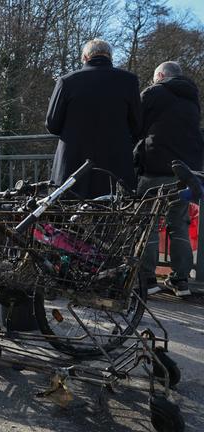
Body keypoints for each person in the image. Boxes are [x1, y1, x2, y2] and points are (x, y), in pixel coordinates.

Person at [135, 61, 203, 297]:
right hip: (186, 172)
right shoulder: (192, 98)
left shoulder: (154, 92)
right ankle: (181, 281)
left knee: (148, 222)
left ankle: (148, 279)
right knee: (178, 224)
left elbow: (135, 124)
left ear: (160, 75)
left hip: (155, 167)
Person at [46, 39, 142, 198]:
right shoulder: (129, 81)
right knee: (114, 216)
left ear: (85, 57)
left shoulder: (67, 81)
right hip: (115, 164)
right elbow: (137, 125)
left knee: (68, 214)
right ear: (110, 57)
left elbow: (52, 124)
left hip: (73, 163)